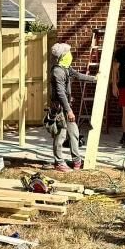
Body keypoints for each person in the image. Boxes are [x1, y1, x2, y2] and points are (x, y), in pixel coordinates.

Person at [46, 42, 96, 172]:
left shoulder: (66, 68)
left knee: (74, 133)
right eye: (67, 53)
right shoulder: (57, 71)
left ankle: (77, 161)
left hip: (67, 108)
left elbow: (78, 75)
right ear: (62, 56)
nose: (70, 55)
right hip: (60, 109)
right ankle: (59, 162)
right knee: (61, 135)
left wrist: (95, 79)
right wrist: (69, 111)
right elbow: (60, 93)